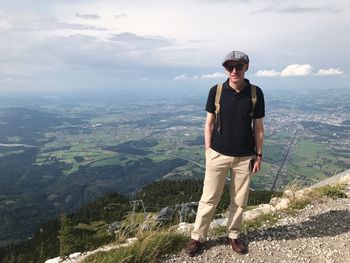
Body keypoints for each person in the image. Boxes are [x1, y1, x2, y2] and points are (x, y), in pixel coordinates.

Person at [185, 50, 265, 256]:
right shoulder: (216, 91)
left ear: (246, 67)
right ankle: (197, 237)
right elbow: (208, 124)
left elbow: (259, 127)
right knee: (209, 198)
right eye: (230, 66)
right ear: (225, 69)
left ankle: (233, 235)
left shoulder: (256, 93)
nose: (234, 70)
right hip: (217, 154)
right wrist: (208, 150)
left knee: (239, 200)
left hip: (245, 156)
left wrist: (259, 155)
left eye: (238, 66)